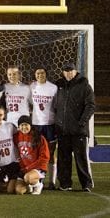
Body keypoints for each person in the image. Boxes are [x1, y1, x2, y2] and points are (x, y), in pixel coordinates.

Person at [54, 62, 95, 192]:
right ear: (63, 72)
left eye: (71, 70)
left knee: (81, 159)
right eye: (66, 71)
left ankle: (86, 184)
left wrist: (82, 123)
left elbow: (90, 106)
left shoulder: (84, 86)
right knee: (63, 159)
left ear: (75, 71)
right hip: (63, 130)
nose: (68, 73)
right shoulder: (59, 86)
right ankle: (65, 184)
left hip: (78, 131)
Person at [30, 66, 58, 189]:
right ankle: (38, 180)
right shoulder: (31, 87)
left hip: (50, 125)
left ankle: (52, 182)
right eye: (37, 73)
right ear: (35, 75)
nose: (40, 75)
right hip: (36, 125)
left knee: (51, 153)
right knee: (35, 153)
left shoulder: (53, 88)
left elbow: (57, 106)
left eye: (42, 73)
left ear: (46, 74)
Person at [14, 115, 50, 195]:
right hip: (24, 169)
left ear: (30, 125)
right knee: (19, 191)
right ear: (18, 127)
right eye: (22, 125)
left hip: (37, 168)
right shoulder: (16, 137)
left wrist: (29, 167)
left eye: (26, 125)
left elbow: (44, 157)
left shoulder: (38, 137)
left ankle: (38, 184)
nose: (24, 127)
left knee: (28, 178)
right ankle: (30, 186)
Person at [0, 105, 19, 193]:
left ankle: (15, 181)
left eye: (1, 115)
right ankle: (3, 182)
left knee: (10, 190)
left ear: (4, 115)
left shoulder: (9, 126)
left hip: (12, 163)